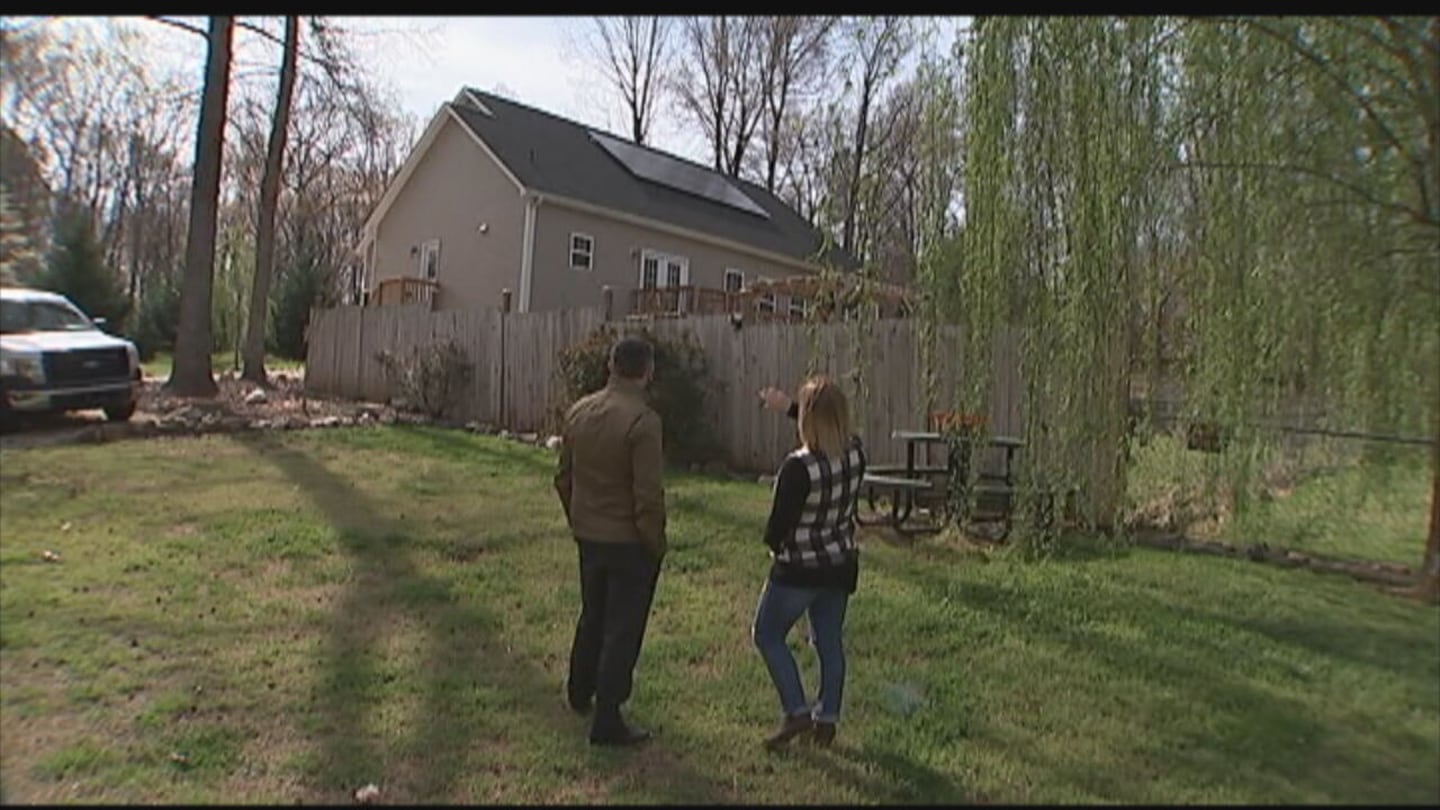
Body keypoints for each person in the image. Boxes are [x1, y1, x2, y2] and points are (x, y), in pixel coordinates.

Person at [554, 335, 667, 747]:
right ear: (647, 371)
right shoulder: (643, 422)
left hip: (589, 534)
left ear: (611, 367)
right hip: (628, 540)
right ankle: (608, 718)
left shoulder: (580, 412)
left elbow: (563, 477)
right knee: (622, 628)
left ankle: (579, 689)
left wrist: (578, 517)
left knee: (593, 614)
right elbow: (648, 496)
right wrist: (654, 542)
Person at [753, 378, 866, 749]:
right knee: (829, 641)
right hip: (839, 562)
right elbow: (825, 433)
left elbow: (778, 524)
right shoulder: (855, 453)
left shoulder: (796, 468)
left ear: (806, 421)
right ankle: (827, 717)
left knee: (768, 634)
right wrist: (787, 406)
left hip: (799, 569)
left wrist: (772, 546)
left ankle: (797, 711)